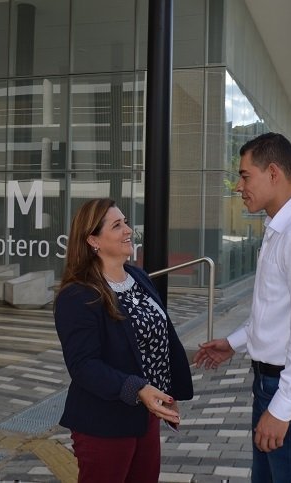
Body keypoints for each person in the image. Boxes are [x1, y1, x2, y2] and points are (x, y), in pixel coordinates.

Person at [193, 132, 291, 482]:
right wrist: (234, 343)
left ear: (273, 172)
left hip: (287, 389)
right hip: (272, 384)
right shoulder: (282, 228)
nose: (238, 186)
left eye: (245, 175)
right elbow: (276, 312)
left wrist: (283, 409)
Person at [54, 198, 193, 483]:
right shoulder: (78, 295)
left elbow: (157, 341)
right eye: (117, 225)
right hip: (103, 423)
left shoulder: (138, 277)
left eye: (126, 222)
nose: (128, 230)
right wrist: (138, 388)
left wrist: (165, 393)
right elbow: (83, 365)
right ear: (93, 239)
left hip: (145, 418)